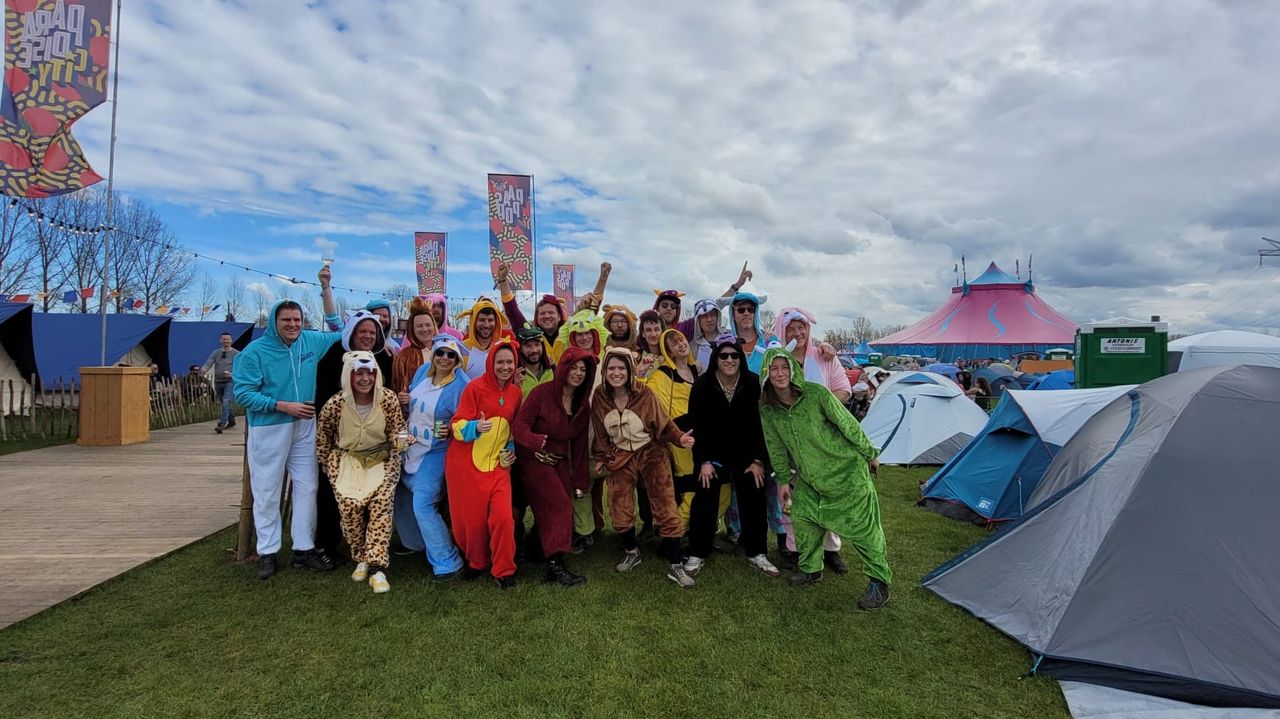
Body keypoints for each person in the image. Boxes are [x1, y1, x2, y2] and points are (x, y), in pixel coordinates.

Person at [759, 345, 892, 610]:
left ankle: (879, 582)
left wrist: (869, 453)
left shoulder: (817, 394)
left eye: (785, 367)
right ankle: (811, 570)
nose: (780, 373)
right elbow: (774, 445)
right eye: (774, 368)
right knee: (804, 519)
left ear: (794, 370)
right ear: (766, 373)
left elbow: (847, 423)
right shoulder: (768, 409)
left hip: (846, 472)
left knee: (864, 529)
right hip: (810, 479)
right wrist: (784, 480)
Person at [232, 266, 342, 580]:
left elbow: (340, 331)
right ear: (274, 322)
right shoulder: (255, 352)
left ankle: (303, 549)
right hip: (270, 426)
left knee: (307, 486)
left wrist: (326, 290)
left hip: (305, 425)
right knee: (267, 490)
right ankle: (267, 551)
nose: (293, 325)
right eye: (286, 321)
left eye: (296, 320)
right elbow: (243, 392)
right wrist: (281, 405)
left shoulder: (310, 341)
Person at [591, 348, 697, 588]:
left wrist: (680, 438)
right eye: (611, 368)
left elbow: (663, 422)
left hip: (651, 450)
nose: (616, 373)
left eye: (621, 368)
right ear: (605, 371)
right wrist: (600, 455)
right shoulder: (600, 396)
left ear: (630, 371)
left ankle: (675, 563)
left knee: (664, 501)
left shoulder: (645, 393)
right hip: (620, 454)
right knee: (619, 501)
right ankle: (631, 550)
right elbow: (599, 428)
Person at [313, 350, 408, 594]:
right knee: (350, 510)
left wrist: (403, 440)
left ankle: (377, 567)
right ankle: (361, 556)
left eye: (370, 373)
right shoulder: (335, 404)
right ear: (349, 376)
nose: (365, 379)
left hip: (381, 459)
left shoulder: (387, 399)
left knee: (381, 507)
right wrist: (325, 461)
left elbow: (398, 430)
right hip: (347, 460)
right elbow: (323, 434)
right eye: (359, 374)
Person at [684, 334, 778, 577]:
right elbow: (697, 424)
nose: (729, 359)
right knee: (704, 496)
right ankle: (697, 552)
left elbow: (762, 425)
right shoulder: (703, 385)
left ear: (740, 358)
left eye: (734, 355)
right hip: (712, 454)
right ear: (716, 358)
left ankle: (757, 552)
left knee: (754, 495)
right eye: (723, 355)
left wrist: (758, 460)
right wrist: (703, 460)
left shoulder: (754, 383)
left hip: (746, 454)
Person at [774, 307, 853, 573]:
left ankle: (831, 550)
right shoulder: (777, 359)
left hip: (821, 442)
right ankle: (799, 551)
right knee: (792, 496)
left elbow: (844, 390)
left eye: (802, 327)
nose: (798, 333)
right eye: (791, 329)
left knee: (825, 494)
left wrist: (821, 405)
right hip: (789, 442)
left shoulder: (823, 357)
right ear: (782, 332)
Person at [314, 310, 395, 563]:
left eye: (373, 333)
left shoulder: (383, 358)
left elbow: (386, 397)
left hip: (373, 442)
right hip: (343, 443)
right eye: (363, 332)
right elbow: (324, 404)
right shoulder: (332, 358)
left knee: (374, 497)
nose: (368, 337)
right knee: (333, 495)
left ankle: (371, 549)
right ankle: (327, 544)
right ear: (352, 333)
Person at [512, 347, 597, 587]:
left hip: (558, 461)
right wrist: (536, 443)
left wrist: (580, 482)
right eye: (574, 367)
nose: (578, 373)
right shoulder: (542, 393)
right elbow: (519, 427)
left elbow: (579, 447)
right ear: (563, 367)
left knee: (563, 503)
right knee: (558, 505)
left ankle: (538, 548)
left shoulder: (582, 405)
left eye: (583, 370)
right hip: (532, 459)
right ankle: (555, 567)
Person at [445, 337, 523, 588]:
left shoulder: (515, 393)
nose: (505, 366)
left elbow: (511, 430)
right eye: (500, 361)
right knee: (472, 521)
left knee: (503, 518)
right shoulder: (474, 388)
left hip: (498, 467)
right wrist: (474, 427)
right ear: (491, 363)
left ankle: (504, 569)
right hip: (467, 466)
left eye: (509, 362)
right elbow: (455, 426)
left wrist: (509, 450)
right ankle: (476, 562)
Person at [399, 336, 469, 581]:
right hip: (408, 447)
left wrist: (450, 427)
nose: (445, 359)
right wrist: (404, 401)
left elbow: (465, 419)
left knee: (423, 502)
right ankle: (418, 543)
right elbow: (412, 406)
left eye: (451, 355)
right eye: (441, 353)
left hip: (436, 451)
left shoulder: (462, 385)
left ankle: (447, 561)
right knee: (397, 491)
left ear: (457, 359)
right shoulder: (421, 373)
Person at [495, 261, 611, 363]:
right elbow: (512, 310)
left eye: (551, 313)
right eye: (542, 313)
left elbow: (590, 307)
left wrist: (603, 278)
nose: (547, 316)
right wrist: (503, 280)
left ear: (560, 316)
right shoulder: (529, 333)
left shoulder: (569, 330)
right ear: (537, 317)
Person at [645, 328, 699, 536]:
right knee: (690, 488)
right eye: (673, 343)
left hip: (698, 437)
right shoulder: (662, 375)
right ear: (669, 352)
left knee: (715, 486)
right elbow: (648, 398)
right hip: (679, 438)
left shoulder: (696, 372)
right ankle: (675, 533)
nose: (680, 343)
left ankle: (696, 527)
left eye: (681, 339)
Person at [391, 298, 439, 400]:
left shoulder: (446, 352)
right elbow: (398, 389)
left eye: (428, 325)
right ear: (412, 329)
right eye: (419, 326)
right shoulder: (404, 357)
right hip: (415, 412)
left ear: (434, 326)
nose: (424, 329)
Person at [459, 297, 511, 380]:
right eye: (481, 320)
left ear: (496, 322)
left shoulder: (503, 346)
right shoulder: (461, 348)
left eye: (490, 320)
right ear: (474, 321)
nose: (486, 325)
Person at [201, 331, 239, 433]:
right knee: (224, 404)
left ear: (231, 340)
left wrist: (231, 374)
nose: (226, 341)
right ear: (220, 340)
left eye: (228, 339)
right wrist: (204, 369)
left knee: (226, 402)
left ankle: (221, 424)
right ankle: (231, 421)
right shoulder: (216, 352)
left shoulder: (236, 354)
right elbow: (209, 362)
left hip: (230, 382)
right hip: (218, 381)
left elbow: (241, 368)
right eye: (224, 339)